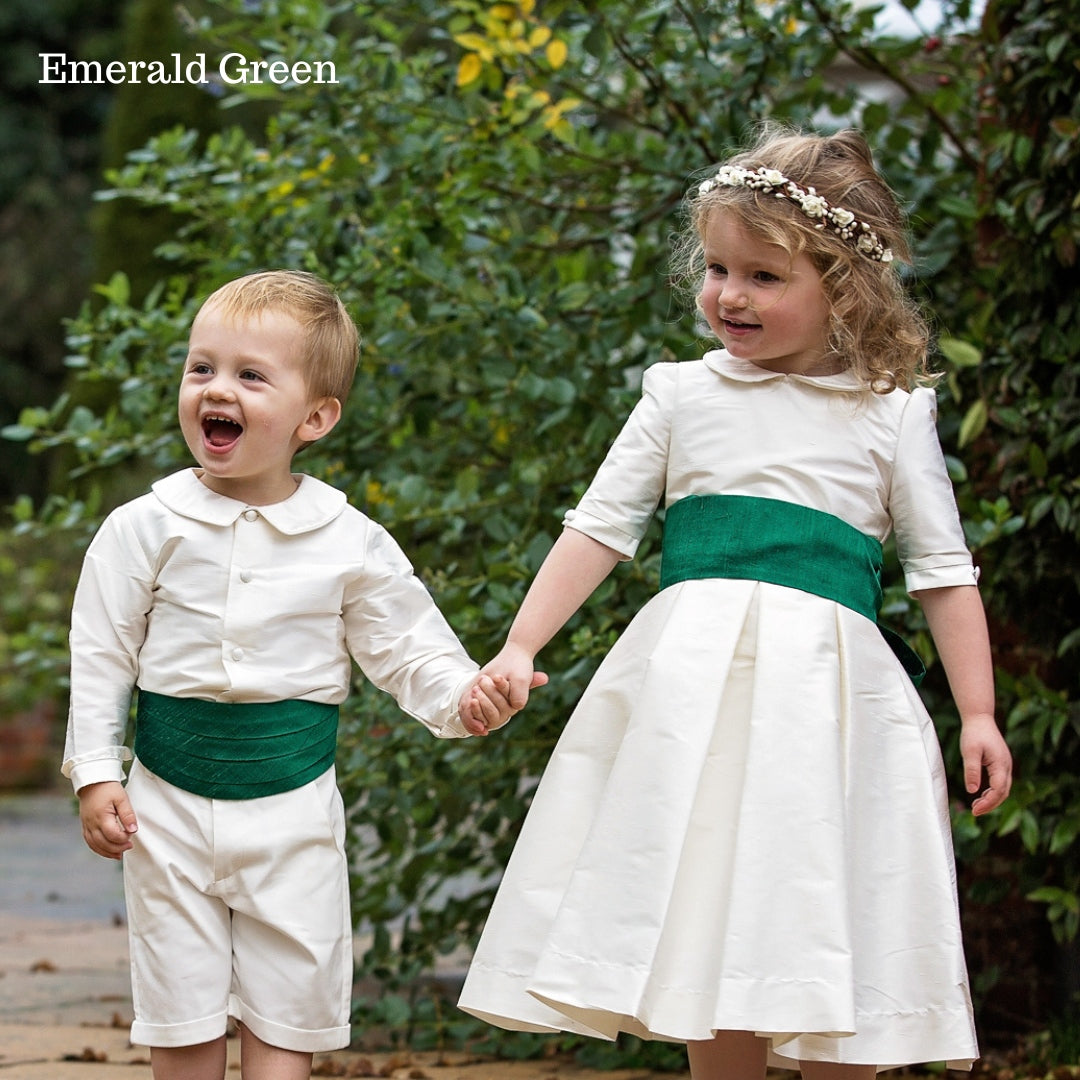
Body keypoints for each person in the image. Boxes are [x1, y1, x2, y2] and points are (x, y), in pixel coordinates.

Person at [457, 129, 1013, 1080]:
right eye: (717, 268)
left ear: (843, 288)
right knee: (712, 913)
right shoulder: (681, 396)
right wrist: (518, 646)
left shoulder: (889, 413)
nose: (730, 295)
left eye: (764, 275)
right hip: (693, 703)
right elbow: (599, 527)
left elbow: (941, 570)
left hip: (832, 710)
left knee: (830, 895)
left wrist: (978, 713)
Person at [63, 270, 522, 1080]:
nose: (217, 389)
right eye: (202, 367)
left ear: (315, 417)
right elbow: (102, 651)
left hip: (295, 816)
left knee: (288, 1012)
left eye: (250, 375)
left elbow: (408, 647)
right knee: (182, 1015)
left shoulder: (349, 540)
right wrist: (97, 774)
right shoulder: (143, 528)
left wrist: (465, 696)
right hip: (164, 811)